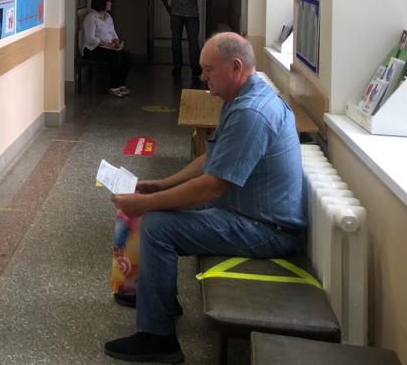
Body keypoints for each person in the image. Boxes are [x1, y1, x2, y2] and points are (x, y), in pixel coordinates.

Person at [103, 33, 305, 363]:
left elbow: (211, 188)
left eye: (209, 69)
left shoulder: (251, 113)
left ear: (236, 67)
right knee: (158, 216)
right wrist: (162, 185)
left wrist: (145, 203)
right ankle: (159, 302)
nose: (202, 76)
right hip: (247, 211)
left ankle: (158, 338)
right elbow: (210, 159)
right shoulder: (239, 99)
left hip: (266, 229)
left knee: (157, 226)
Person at [159, 0, 207, 78]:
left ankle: (195, 68)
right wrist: (167, 6)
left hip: (192, 14)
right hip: (176, 13)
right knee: (176, 41)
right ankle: (177, 66)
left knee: (193, 42)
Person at [81, 0, 131, 97]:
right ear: (102, 3)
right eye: (109, 1)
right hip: (92, 49)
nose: (111, 4)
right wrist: (107, 45)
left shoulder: (108, 17)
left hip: (107, 48)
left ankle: (121, 84)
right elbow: (90, 38)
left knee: (126, 55)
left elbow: (113, 32)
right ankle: (113, 86)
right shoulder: (91, 18)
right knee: (115, 56)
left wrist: (116, 41)